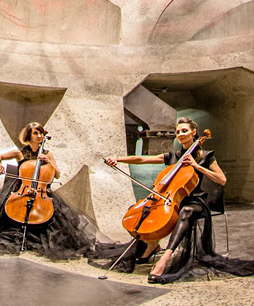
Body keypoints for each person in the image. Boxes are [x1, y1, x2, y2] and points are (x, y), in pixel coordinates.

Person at [104, 117, 254, 283]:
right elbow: (142, 159)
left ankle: (164, 259)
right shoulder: (174, 156)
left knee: (186, 211)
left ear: (194, 132)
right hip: (171, 200)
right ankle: (152, 244)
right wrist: (118, 159)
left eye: (184, 130)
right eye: (178, 132)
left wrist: (197, 167)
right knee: (138, 211)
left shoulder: (206, 156)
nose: (181, 134)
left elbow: (222, 179)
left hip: (196, 202)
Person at [0, 122, 119, 261]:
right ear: (29, 135)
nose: (40, 135)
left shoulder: (48, 154)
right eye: (36, 133)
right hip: (20, 189)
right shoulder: (20, 153)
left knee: (57, 216)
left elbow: (56, 175)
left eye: (41, 133)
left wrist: (48, 162)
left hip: (42, 191)